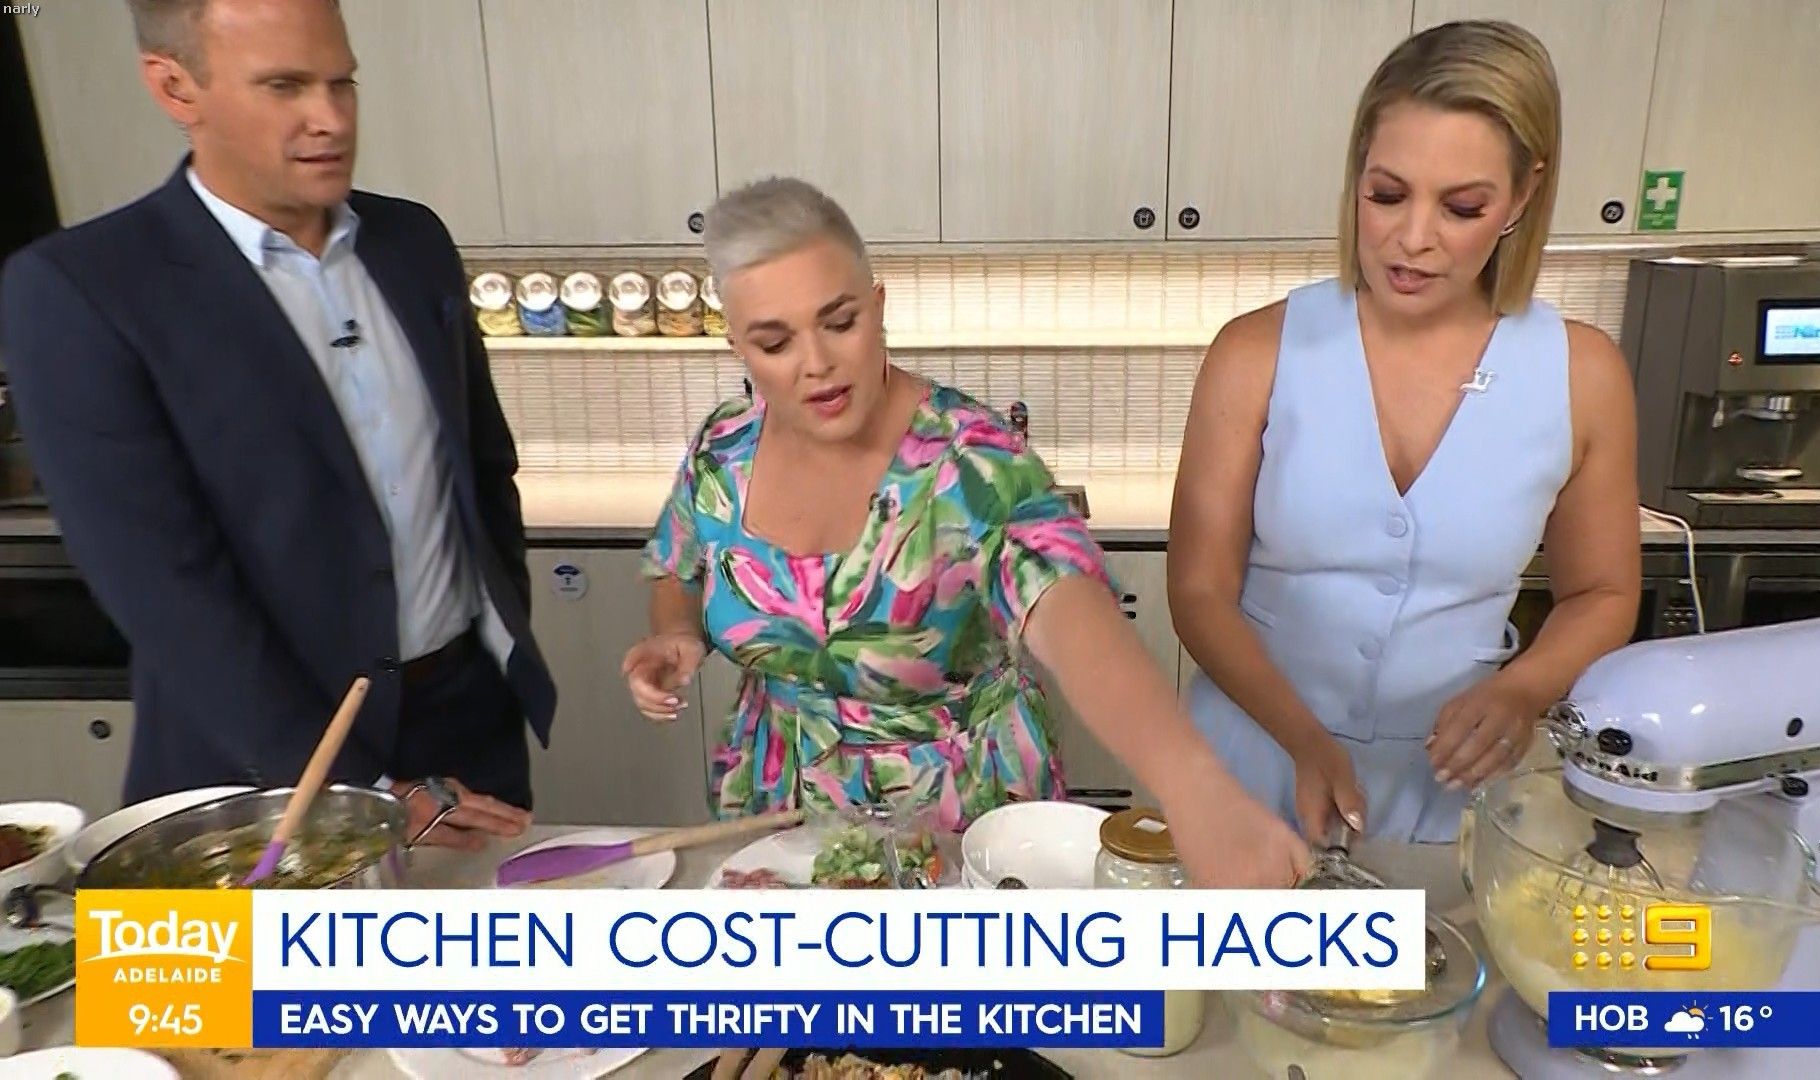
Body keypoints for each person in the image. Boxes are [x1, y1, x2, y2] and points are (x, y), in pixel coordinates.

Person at [622, 176, 1312, 888]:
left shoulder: (971, 460)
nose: (817, 362)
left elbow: (1068, 609)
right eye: (775, 342)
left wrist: (1193, 785)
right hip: (776, 820)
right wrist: (674, 632)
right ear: (738, 346)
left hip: (957, 823)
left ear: (878, 308)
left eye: (840, 322)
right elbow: (680, 565)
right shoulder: (724, 450)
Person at [0, 0, 550, 849]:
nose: (330, 119)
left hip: (466, 739)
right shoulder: (82, 289)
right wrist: (358, 792)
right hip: (255, 777)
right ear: (175, 87)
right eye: (285, 87)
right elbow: (165, 593)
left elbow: (482, 468)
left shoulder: (411, 241)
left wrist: (491, 649)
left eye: (342, 83)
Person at [1167, 20, 1641, 847]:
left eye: (1462, 207)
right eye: (1387, 194)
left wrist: (1523, 689)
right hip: (1243, 765)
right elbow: (1198, 591)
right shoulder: (1255, 353)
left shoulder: (1583, 374)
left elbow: (1601, 594)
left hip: (1448, 791)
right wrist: (1302, 738)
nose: (1413, 237)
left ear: (1523, 196)